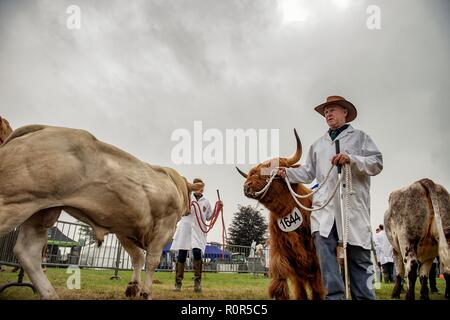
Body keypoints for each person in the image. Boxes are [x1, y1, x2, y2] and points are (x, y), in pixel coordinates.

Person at [278, 96, 383, 300]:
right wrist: (287, 173)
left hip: (352, 208)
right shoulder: (318, 145)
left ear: (345, 112)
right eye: (325, 112)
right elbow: (308, 172)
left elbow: (377, 163)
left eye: (332, 110)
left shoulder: (360, 138)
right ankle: (334, 298)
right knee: (326, 259)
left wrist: (352, 159)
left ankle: (364, 297)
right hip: (324, 211)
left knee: (359, 259)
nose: (328, 114)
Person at [170, 178, 218, 292]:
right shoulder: (187, 197)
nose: (200, 190)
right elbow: (180, 210)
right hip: (185, 228)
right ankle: (178, 283)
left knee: (197, 253)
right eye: (197, 187)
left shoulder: (206, 202)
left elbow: (208, 216)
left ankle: (197, 283)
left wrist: (218, 208)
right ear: (193, 187)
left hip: (198, 230)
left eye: (201, 188)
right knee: (182, 254)